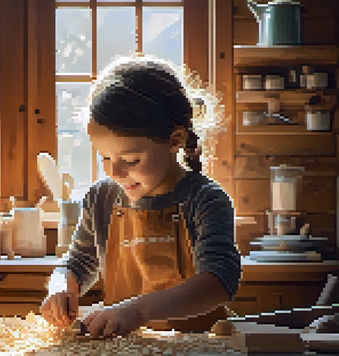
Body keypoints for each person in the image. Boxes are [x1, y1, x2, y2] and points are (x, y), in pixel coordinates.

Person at [40, 55, 242, 339]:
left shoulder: (205, 199)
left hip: (198, 345)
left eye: (131, 160)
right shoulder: (101, 199)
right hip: (126, 346)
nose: (115, 171)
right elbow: (76, 264)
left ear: (175, 140)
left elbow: (219, 283)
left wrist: (138, 311)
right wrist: (61, 287)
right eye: (105, 157)